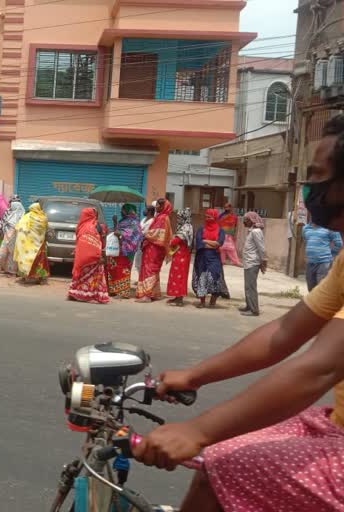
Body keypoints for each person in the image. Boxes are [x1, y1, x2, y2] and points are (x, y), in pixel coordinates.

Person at [130, 115, 344, 512]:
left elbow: (320, 367)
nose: (309, 189)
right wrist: (196, 374)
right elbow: (285, 330)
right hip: (333, 423)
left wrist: (198, 429)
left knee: (222, 468)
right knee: (222, 451)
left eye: (317, 177)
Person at [68, 207, 109, 303]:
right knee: (91, 276)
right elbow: (100, 242)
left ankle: (78, 294)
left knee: (81, 275)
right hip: (93, 256)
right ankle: (87, 295)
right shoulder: (95, 226)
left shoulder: (82, 226)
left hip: (86, 256)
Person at [136, 198, 172, 302]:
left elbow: (156, 233)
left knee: (149, 270)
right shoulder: (161, 217)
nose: (156, 207)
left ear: (163, 207)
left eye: (158, 205)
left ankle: (147, 295)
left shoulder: (162, 218)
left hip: (155, 248)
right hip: (154, 248)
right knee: (153, 270)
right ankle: (154, 293)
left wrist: (144, 234)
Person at [192, 208, 228, 309]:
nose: (207, 218)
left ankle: (213, 301)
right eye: (206, 216)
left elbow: (219, 243)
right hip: (201, 258)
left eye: (210, 217)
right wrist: (211, 243)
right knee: (202, 279)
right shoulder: (201, 229)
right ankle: (202, 302)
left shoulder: (220, 230)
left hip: (214, 258)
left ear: (215, 217)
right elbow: (199, 243)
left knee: (215, 278)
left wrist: (205, 241)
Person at [107, 204, 143, 299]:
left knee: (123, 270)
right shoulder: (122, 221)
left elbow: (133, 235)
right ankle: (114, 290)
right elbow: (116, 232)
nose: (121, 212)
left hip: (127, 251)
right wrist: (115, 223)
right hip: (117, 250)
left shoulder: (134, 222)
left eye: (123, 210)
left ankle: (123, 292)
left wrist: (119, 233)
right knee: (114, 268)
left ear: (128, 211)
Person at [13, 201, 50, 283]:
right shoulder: (44, 218)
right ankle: (39, 278)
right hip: (40, 243)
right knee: (40, 260)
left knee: (25, 258)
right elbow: (47, 229)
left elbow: (20, 229)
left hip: (28, 244)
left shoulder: (27, 217)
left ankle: (24, 277)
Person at [240, 211, 267, 317]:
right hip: (248, 262)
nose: (244, 222)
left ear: (252, 220)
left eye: (246, 220)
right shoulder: (251, 231)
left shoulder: (256, 232)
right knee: (247, 286)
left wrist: (263, 261)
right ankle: (248, 305)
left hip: (252, 263)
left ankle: (254, 310)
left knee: (251, 287)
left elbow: (261, 248)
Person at [166, 208, 194, 306]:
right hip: (179, 255)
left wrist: (170, 240)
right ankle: (176, 297)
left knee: (180, 276)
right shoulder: (184, 226)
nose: (178, 219)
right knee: (176, 275)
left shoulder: (186, 227)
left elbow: (176, 240)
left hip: (182, 256)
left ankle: (180, 300)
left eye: (179, 217)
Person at [302, 221, 343, 290]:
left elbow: (339, 244)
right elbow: (306, 241)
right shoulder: (305, 228)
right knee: (310, 288)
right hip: (310, 263)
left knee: (321, 288)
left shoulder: (329, 228)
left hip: (324, 263)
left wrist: (329, 253)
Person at [0, 196, 25, 274]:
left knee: (13, 255)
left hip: (16, 239)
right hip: (6, 237)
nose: (11, 206)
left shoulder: (23, 216)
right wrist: (2, 227)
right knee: (2, 253)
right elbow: (1, 223)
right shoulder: (8, 213)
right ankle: (4, 268)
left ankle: (12, 271)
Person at [133, 204, 156, 282]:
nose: (144, 211)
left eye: (146, 209)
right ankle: (141, 278)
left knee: (145, 263)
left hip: (146, 244)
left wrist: (139, 231)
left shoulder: (152, 221)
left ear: (150, 211)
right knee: (138, 263)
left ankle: (144, 279)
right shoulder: (144, 219)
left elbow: (146, 232)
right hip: (139, 243)